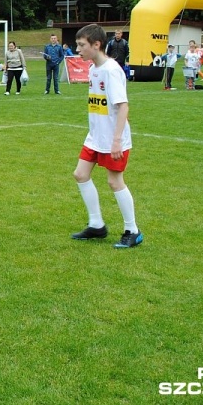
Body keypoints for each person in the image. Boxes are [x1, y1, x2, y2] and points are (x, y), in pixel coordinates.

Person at [70, 23, 143, 249]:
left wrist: (116, 140)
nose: (78, 49)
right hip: (95, 136)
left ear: (96, 45)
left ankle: (133, 230)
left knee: (114, 181)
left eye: (82, 45)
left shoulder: (111, 70)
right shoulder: (93, 69)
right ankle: (97, 225)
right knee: (80, 174)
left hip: (113, 137)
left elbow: (123, 107)